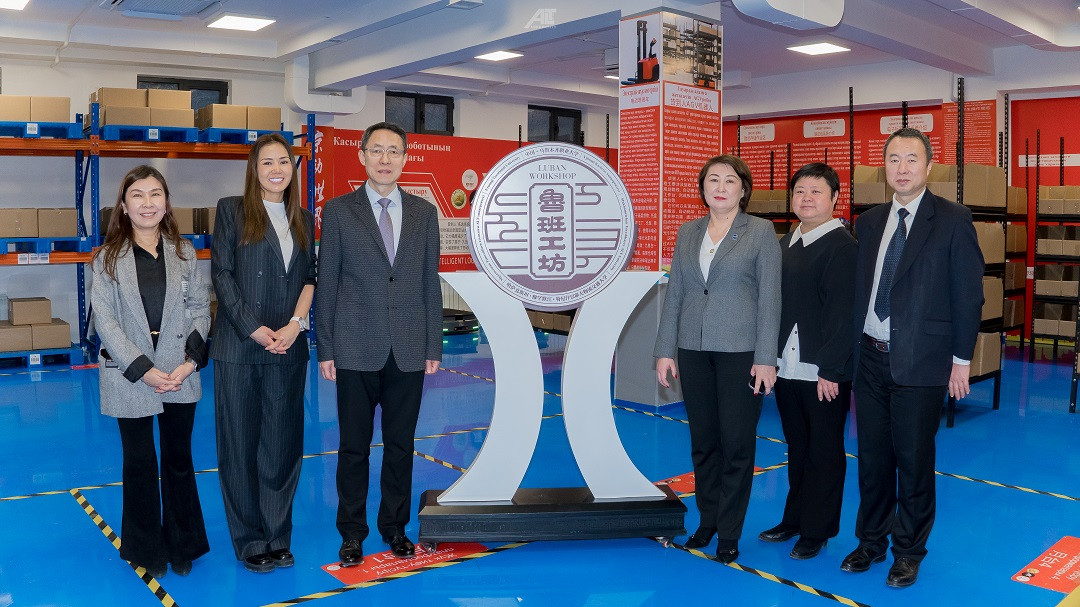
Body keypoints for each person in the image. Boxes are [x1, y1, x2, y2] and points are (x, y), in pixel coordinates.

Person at [841, 127, 983, 587]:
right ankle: (870, 541)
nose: (902, 169)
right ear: (883, 167)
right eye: (893, 160)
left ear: (928, 166)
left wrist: (962, 360)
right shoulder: (869, 221)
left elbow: (968, 294)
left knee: (915, 461)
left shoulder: (953, 219)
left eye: (911, 160)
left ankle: (909, 550)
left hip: (923, 360)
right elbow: (861, 290)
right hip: (870, 356)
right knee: (872, 459)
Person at [315, 121, 442, 567]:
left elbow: (429, 282)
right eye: (377, 150)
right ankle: (352, 533)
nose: (385, 159)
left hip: (408, 347)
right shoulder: (338, 211)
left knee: (401, 446)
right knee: (353, 448)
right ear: (362, 156)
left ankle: (395, 527)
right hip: (354, 347)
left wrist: (433, 345)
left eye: (394, 151)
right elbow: (327, 282)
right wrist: (326, 348)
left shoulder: (425, 213)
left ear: (406, 158)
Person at [655, 154, 782, 563]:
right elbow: (676, 293)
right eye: (713, 179)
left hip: (741, 353)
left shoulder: (760, 231)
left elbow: (770, 299)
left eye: (730, 180)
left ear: (743, 189)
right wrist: (665, 349)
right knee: (704, 442)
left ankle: (729, 532)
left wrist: (766, 358)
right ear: (703, 188)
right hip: (693, 349)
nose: (721, 187)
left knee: (737, 443)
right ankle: (707, 521)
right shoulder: (688, 231)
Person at [91, 165, 210, 579]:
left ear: (166, 202)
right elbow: (106, 322)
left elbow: (200, 308)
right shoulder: (106, 260)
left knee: (179, 458)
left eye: (155, 194)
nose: (147, 203)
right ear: (124, 207)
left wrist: (190, 362)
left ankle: (182, 543)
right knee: (139, 462)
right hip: (130, 375)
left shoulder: (184, 253)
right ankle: (146, 548)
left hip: (180, 373)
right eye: (137, 196)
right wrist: (143, 369)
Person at [210, 133, 317, 573]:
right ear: (254, 170)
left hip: (288, 347)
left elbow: (310, 277)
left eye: (284, 161)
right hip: (239, 346)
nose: (276, 169)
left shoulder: (303, 218)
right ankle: (251, 538)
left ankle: (277, 534)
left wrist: (295, 325)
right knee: (239, 446)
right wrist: (253, 328)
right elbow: (222, 274)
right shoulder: (231, 210)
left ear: (293, 169)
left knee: (282, 445)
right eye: (267, 162)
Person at [757, 163, 856, 560]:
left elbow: (844, 314)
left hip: (822, 372)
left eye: (817, 191)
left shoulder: (843, 246)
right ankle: (794, 519)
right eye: (800, 190)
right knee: (797, 447)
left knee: (824, 452)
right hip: (787, 367)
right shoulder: (786, 242)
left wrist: (831, 369)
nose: (807, 198)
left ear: (835, 198)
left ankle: (818, 530)